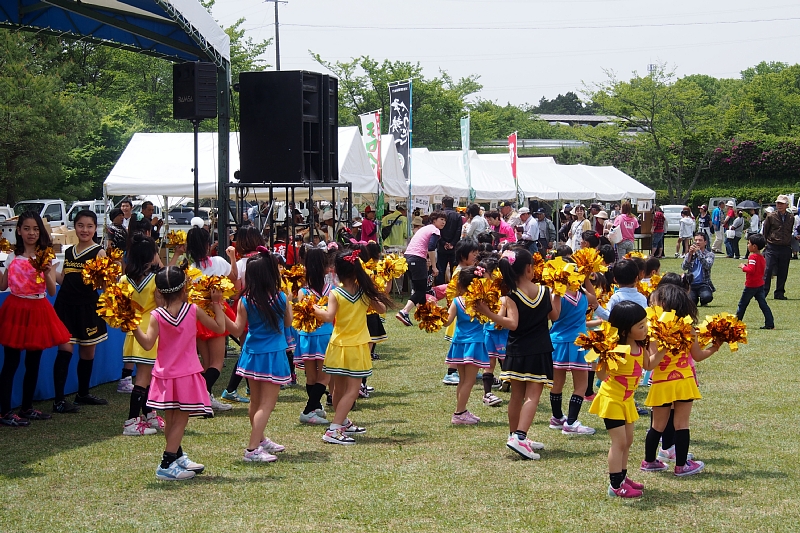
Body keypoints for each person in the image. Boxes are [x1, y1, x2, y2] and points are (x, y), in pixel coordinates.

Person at [133, 264, 224, 480]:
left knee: (172, 418)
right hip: (186, 375)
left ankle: (177, 456)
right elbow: (220, 328)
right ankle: (166, 463)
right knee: (181, 420)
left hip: (164, 375)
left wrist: (131, 325)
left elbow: (147, 343)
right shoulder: (193, 310)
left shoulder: (156, 315)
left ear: (159, 292)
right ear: (185, 289)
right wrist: (217, 303)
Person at [477, 249, 559, 460]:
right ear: (530, 268)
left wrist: (488, 313)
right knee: (533, 396)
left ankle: (515, 435)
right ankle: (520, 437)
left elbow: (511, 324)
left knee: (516, 395)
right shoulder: (545, 291)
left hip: (516, 350)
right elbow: (555, 316)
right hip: (539, 349)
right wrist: (558, 293)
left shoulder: (510, 295)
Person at [313, 249, 392, 445]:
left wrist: (314, 309)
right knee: (352, 391)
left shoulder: (335, 293)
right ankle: (333, 430)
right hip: (356, 347)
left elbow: (328, 317)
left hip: (338, 346)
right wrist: (370, 291)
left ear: (337, 271)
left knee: (338, 389)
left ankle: (342, 422)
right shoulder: (363, 292)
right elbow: (382, 309)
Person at [641, 284, 721, 477]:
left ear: (663, 303)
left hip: (661, 382)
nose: (651, 304)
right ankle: (681, 466)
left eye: (654, 301)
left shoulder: (652, 330)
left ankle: (649, 461)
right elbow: (698, 356)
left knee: (657, 426)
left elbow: (649, 364)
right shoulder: (688, 329)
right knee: (682, 424)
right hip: (684, 381)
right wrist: (714, 347)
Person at [0, 212, 70, 426]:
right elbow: (3, 286)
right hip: (15, 310)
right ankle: (4, 412)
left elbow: (52, 291)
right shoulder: (12, 257)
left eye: (36, 229)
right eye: (27, 228)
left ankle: (27, 407)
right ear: (19, 231)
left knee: (33, 362)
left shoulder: (46, 256)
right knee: (11, 362)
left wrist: (47, 272)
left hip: (38, 310)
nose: (31, 233)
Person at [224, 251, 293, 462]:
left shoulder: (245, 300)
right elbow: (288, 323)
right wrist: (289, 301)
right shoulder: (281, 297)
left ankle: (260, 439)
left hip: (252, 355)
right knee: (267, 405)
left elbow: (237, 330)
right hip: (273, 356)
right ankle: (252, 449)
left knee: (255, 401)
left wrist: (219, 309)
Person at [589, 301, 649, 499]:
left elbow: (649, 365)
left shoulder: (640, 347)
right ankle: (615, 485)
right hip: (612, 399)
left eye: (645, 324)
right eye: (641, 326)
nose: (646, 329)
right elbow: (601, 376)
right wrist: (603, 355)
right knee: (619, 442)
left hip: (627, 400)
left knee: (628, 440)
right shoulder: (616, 349)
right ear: (624, 330)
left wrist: (666, 347)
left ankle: (622, 478)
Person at [52, 210, 109, 414]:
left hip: (88, 308)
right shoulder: (69, 252)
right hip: (65, 306)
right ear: (74, 227)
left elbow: (103, 285)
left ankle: (82, 394)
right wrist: (50, 271)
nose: (85, 230)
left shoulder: (99, 252)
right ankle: (59, 400)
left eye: (89, 226)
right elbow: (65, 280)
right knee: (65, 350)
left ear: (95, 228)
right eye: (80, 225)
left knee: (87, 351)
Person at [185, 227, 238, 412]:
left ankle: (206, 399)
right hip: (216, 313)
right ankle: (200, 397)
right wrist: (233, 258)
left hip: (197, 315)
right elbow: (234, 278)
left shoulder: (190, 269)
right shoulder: (218, 261)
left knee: (206, 363)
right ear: (208, 244)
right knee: (216, 363)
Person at [548, 259, 598, 435]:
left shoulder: (557, 293)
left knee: (557, 383)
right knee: (581, 385)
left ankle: (557, 418)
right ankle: (571, 422)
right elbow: (595, 300)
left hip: (557, 342)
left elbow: (554, 316)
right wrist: (586, 279)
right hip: (577, 342)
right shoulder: (580, 294)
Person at [120, 234, 162, 436]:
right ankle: (131, 421)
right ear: (151, 256)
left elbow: (120, 308)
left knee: (147, 377)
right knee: (144, 378)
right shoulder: (156, 280)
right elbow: (162, 307)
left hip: (132, 332)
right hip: (150, 333)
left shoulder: (123, 279)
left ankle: (149, 414)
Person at [220, 226, 266, 404]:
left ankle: (244, 386)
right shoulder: (264, 260)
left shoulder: (240, 264)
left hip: (244, 307)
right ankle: (232, 388)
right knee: (249, 350)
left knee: (247, 348)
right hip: (263, 307)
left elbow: (235, 292)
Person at [441, 266, 492, 424]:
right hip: (474, 344)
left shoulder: (456, 301)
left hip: (459, 344)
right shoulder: (480, 302)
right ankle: (459, 413)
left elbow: (446, 322)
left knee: (463, 381)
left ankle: (461, 410)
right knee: (469, 381)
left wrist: (434, 313)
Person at [395, 211, 447, 326]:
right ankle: (404, 312)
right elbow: (431, 247)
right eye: (441, 219)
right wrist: (434, 266)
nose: (443, 222)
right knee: (421, 290)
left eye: (445, 220)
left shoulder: (424, 228)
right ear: (434, 220)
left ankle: (425, 315)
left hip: (407, 258)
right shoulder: (435, 230)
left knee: (418, 289)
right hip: (417, 259)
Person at [736, 234, 775, 330]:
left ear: (754, 246)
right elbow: (758, 269)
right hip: (760, 285)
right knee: (763, 304)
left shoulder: (753, 257)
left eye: (748, 243)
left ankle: (736, 323)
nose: (747, 245)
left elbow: (751, 270)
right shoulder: (762, 257)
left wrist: (743, 267)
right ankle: (770, 323)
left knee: (742, 304)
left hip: (751, 285)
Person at [762, 195, 793, 300]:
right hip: (772, 246)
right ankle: (763, 292)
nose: (779, 205)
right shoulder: (771, 216)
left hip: (785, 247)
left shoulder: (791, 217)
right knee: (768, 270)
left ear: (786, 205)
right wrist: (766, 244)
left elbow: (790, 231)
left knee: (783, 271)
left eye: (782, 203)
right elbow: (765, 231)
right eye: (778, 203)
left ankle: (779, 293)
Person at [435, 196, 464, 285]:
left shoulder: (440, 216)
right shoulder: (458, 216)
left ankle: (439, 288)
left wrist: (443, 242)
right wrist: (452, 243)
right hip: (454, 247)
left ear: (443, 204)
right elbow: (458, 231)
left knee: (441, 269)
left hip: (441, 246)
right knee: (454, 269)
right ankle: (454, 286)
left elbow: (437, 231)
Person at [682, 232, 715, 307]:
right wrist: (690, 255)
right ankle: (694, 299)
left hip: (703, 283)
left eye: (700, 240)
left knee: (707, 297)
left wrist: (698, 253)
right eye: (696, 240)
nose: (697, 242)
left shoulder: (709, 254)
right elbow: (684, 267)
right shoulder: (690, 254)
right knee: (690, 300)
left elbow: (707, 266)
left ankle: (703, 301)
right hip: (691, 284)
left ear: (705, 242)